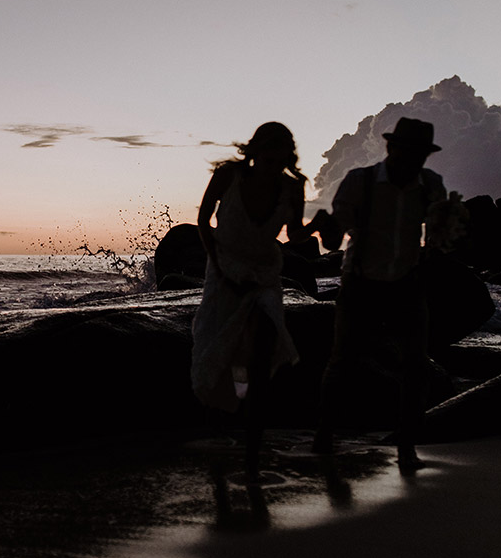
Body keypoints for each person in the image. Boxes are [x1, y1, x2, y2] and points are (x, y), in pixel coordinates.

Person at [310, 117, 453, 470]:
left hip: (407, 283)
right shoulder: (361, 182)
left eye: (421, 155)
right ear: (391, 148)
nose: (415, 161)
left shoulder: (431, 185)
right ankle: (325, 435)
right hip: (361, 284)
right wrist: (324, 227)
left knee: (416, 366)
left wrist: (445, 237)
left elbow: (438, 236)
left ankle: (407, 444)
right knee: (342, 362)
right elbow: (333, 239)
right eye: (409, 152)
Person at [191, 121, 309, 481]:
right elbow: (201, 220)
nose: (273, 167)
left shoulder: (292, 188)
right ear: (254, 152)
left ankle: (252, 448)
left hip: (264, 278)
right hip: (223, 274)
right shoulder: (229, 176)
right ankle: (223, 418)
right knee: (224, 352)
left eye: (279, 160)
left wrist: (318, 224)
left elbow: (295, 234)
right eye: (267, 158)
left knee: (260, 356)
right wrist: (219, 268)